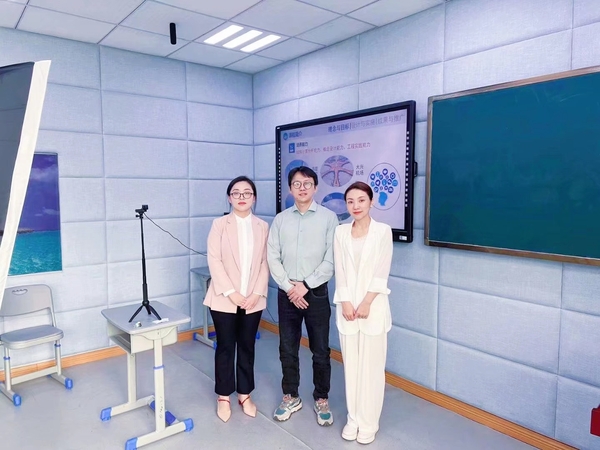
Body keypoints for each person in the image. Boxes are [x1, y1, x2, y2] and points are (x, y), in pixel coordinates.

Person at [267, 166, 338, 426]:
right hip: (287, 294)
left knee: (320, 349)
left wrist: (305, 285)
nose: (302, 188)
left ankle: (321, 398)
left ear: (315, 187)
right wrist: (290, 287)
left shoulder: (329, 218)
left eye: (307, 183)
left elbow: (331, 259)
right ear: (290, 188)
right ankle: (291, 395)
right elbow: (272, 256)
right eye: (297, 184)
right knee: (287, 347)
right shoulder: (280, 219)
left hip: (316, 292)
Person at [204, 176, 270, 423]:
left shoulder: (262, 226)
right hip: (224, 298)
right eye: (236, 193)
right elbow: (214, 260)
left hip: (253, 300)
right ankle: (223, 395)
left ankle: (244, 393)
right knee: (225, 346)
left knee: (247, 346)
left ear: (254, 197)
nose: (242, 197)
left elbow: (265, 262)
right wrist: (231, 293)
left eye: (247, 192)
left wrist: (256, 293)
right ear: (229, 197)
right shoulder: (219, 224)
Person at [333, 181, 393, 445]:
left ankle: (369, 423)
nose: (355, 206)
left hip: (373, 308)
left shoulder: (383, 231)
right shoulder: (340, 232)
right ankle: (354, 419)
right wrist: (346, 301)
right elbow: (340, 270)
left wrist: (367, 302)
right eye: (350, 201)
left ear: (371, 202)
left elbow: (382, 270)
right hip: (347, 309)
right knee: (352, 368)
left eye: (361, 200)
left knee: (372, 368)